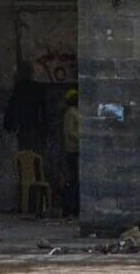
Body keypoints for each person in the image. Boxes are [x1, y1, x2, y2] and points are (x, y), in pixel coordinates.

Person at [59, 85, 82, 217]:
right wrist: (81, 139)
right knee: (74, 181)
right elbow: (69, 132)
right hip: (73, 150)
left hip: (76, 149)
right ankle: (71, 208)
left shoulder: (75, 112)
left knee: (76, 181)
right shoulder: (70, 113)